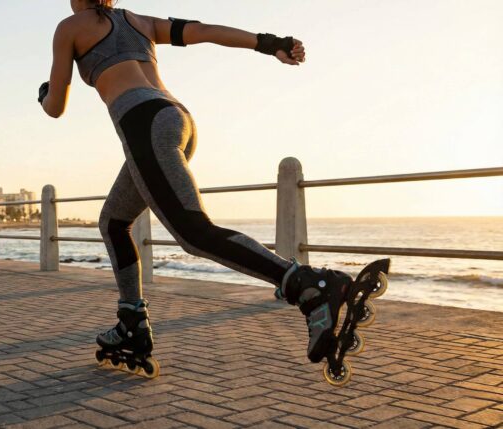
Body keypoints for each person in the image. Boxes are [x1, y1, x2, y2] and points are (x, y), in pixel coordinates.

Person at [39, 0, 362, 380]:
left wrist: (45, 92)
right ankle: (132, 322)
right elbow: (204, 31)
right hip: (177, 120)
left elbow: (56, 106)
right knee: (114, 221)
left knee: (194, 233)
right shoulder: (138, 21)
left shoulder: (70, 27)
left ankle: (309, 285)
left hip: (143, 125)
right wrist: (270, 42)